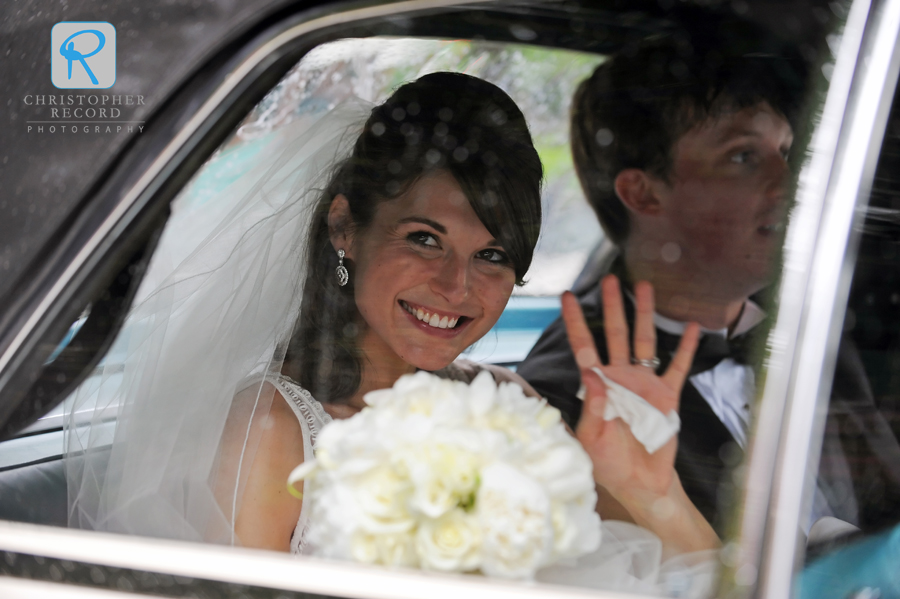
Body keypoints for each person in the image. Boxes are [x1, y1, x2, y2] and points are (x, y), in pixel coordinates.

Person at [65, 71, 716, 587]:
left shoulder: (517, 406)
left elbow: (708, 584)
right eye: (425, 238)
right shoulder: (272, 434)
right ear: (345, 227)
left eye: (491, 254)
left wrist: (654, 496)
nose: (456, 286)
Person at [517, 34, 900, 537]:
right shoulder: (571, 393)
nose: (791, 182)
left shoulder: (813, 325)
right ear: (644, 193)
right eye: (743, 156)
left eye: (785, 150)